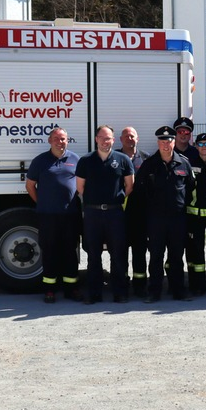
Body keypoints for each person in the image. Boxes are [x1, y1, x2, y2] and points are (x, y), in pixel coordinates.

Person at [75, 125, 134, 304]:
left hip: (115, 213)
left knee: (118, 254)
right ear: (96, 139)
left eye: (108, 138)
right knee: (93, 254)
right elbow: (80, 188)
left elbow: (129, 186)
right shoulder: (85, 161)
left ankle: (120, 292)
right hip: (92, 213)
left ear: (113, 140)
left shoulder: (123, 160)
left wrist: (114, 200)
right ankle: (94, 293)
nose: (104, 141)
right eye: (101, 137)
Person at [135, 125, 195, 302]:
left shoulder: (183, 163)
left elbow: (190, 187)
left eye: (169, 141)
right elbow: (140, 191)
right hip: (156, 219)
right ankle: (154, 291)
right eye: (162, 141)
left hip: (177, 218)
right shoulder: (149, 164)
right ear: (158, 143)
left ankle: (179, 290)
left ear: (174, 142)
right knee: (156, 256)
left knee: (176, 256)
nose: (166, 145)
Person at [25, 127, 80, 303]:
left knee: (70, 251)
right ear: (49, 141)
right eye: (56, 138)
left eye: (63, 139)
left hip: (70, 215)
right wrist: (41, 202)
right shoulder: (40, 161)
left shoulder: (75, 159)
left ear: (67, 141)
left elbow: (81, 184)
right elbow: (30, 185)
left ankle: (71, 288)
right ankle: (50, 289)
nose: (59, 142)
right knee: (50, 251)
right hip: (47, 216)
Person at [118, 126, 150, 294]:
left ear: (137, 138)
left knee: (140, 251)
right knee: (120, 251)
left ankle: (140, 285)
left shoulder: (146, 158)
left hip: (140, 214)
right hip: (119, 214)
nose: (129, 139)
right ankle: (122, 284)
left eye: (132, 136)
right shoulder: (114, 157)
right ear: (120, 140)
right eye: (126, 136)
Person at [186, 132, 206, 295]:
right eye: (200, 144)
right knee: (196, 250)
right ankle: (197, 285)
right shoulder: (189, 164)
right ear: (196, 146)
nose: (204, 147)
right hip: (195, 215)